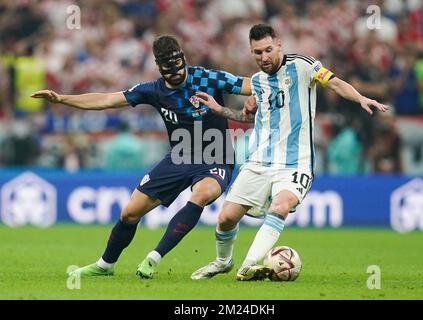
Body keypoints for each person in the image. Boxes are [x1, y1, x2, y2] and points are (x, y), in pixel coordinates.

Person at [31, 35, 252, 279]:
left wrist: (281, 85)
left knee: (202, 194)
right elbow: (105, 100)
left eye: (180, 67)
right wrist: (62, 98)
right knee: (129, 213)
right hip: (179, 157)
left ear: (183, 59)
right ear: (159, 67)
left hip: (216, 155)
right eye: (171, 70)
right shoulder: (153, 90)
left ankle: (154, 257)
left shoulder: (208, 78)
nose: (178, 74)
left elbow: (251, 85)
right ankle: (105, 265)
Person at [191, 24, 388, 281]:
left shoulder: (303, 65)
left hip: (296, 162)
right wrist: (219, 109)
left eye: (268, 50)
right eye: (257, 52)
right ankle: (222, 262)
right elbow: (246, 117)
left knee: (280, 205)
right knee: (226, 218)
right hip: (259, 160)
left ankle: (248, 266)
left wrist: (360, 97)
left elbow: (336, 83)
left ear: (279, 44)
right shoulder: (259, 83)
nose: (264, 57)